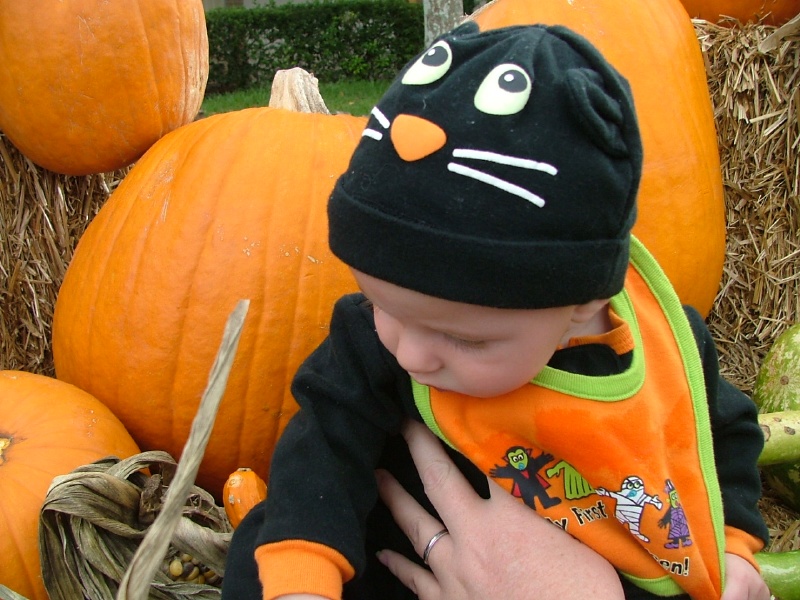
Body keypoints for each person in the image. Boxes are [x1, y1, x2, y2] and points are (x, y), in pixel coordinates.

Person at [222, 21, 770, 600]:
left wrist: (734, 544)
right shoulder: (369, 342)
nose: (410, 353)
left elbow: (724, 438)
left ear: (583, 301)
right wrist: (304, 576)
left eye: (466, 339)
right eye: (382, 305)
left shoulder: (670, 350)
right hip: (387, 558)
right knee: (265, 548)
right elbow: (322, 447)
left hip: (576, 578)